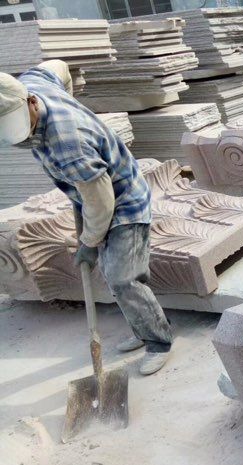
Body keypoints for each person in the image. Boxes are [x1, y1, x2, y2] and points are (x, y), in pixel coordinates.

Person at [0, 61, 173, 375]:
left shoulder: (69, 144)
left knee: (122, 277)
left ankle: (158, 341)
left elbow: (102, 204)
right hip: (92, 192)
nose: (20, 138)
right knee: (115, 273)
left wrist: (89, 243)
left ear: (31, 102)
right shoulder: (34, 81)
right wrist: (71, 102)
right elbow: (59, 67)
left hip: (124, 201)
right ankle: (144, 326)